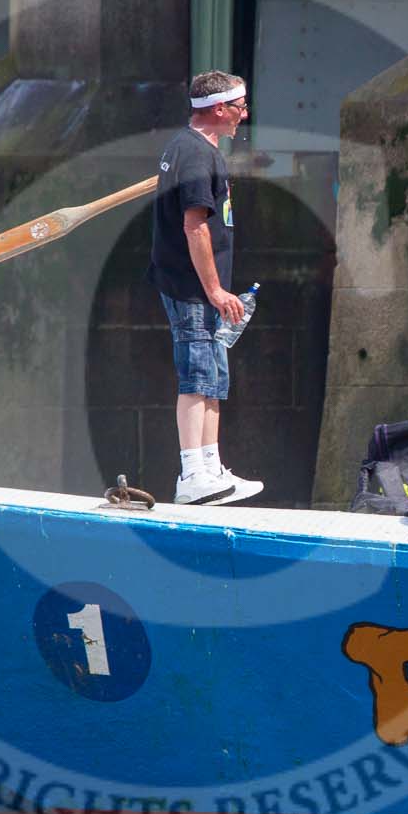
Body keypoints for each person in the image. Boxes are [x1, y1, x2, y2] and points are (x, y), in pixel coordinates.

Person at [147, 71, 265, 506]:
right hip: (191, 287)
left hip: (204, 286)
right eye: (239, 107)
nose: (244, 115)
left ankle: (212, 469)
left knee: (214, 375)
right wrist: (215, 291)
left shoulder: (194, 149)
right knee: (196, 375)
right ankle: (191, 474)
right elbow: (194, 225)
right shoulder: (195, 155)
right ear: (219, 109)